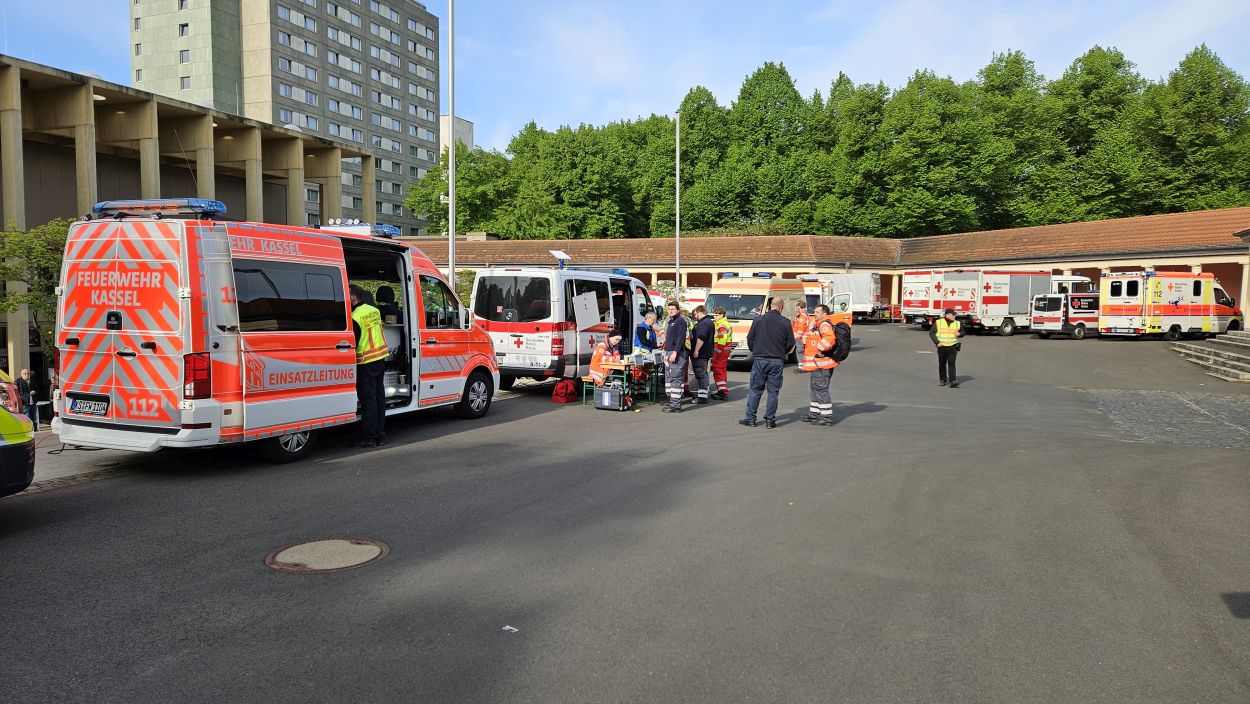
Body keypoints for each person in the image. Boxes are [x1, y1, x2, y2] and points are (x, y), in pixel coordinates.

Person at [740, 297, 792, 429]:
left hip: (760, 359)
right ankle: (770, 420)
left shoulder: (758, 320)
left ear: (770, 306)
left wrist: (756, 350)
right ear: (781, 307)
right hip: (777, 360)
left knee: (755, 390)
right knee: (773, 392)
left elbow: (750, 338)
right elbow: (790, 342)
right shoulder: (786, 322)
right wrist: (781, 351)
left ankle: (750, 419)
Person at [350, 284, 389, 447]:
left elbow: (353, 342)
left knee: (368, 401)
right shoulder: (374, 310)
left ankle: (369, 438)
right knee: (379, 398)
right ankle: (380, 434)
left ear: (353, 297)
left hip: (365, 361)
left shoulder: (355, 316)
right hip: (380, 358)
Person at [800, 304, 839, 426]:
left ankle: (826, 417)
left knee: (821, 389)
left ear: (824, 314)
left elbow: (830, 339)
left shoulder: (824, 324)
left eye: (817, 312)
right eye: (815, 311)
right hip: (817, 365)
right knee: (815, 388)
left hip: (822, 365)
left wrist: (820, 349)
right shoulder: (817, 324)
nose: (815, 313)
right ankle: (814, 414)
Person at [661, 301, 689, 413]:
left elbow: (681, 338)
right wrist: (666, 352)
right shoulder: (671, 321)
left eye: (673, 309)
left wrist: (675, 352)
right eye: (669, 309)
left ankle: (676, 406)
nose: (670, 311)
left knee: (676, 379)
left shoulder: (681, 321)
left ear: (678, 310)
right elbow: (669, 339)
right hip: (669, 352)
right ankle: (672, 401)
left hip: (676, 353)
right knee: (670, 379)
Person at [930, 307, 964, 387]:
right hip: (942, 346)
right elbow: (932, 333)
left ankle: (953, 381)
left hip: (953, 346)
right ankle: (942, 379)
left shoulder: (957, 323)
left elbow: (963, 332)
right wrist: (937, 342)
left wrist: (960, 334)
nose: (954, 316)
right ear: (947, 315)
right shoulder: (939, 322)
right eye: (953, 315)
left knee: (952, 363)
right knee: (942, 364)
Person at [690, 305, 715, 404]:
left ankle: (702, 397)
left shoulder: (704, 323)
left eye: (695, 314)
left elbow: (701, 337)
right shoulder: (706, 322)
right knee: (702, 374)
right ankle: (702, 395)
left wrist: (696, 350)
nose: (695, 315)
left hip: (701, 353)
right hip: (704, 352)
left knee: (701, 374)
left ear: (699, 312)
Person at [710, 307, 733, 400]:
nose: (714, 317)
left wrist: (717, 351)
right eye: (714, 315)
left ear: (721, 315)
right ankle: (722, 389)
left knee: (718, 370)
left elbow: (722, 340)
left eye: (716, 315)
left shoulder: (722, 325)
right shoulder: (724, 324)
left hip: (720, 351)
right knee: (722, 370)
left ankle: (722, 392)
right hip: (724, 351)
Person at [791, 301, 813, 373]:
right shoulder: (803, 315)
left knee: (800, 351)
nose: (797, 310)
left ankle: (801, 367)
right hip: (804, 337)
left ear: (801, 308)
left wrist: (797, 335)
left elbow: (801, 327)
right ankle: (803, 367)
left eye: (798, 308)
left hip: (801, 337)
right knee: (802, 351)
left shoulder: (802, 316)